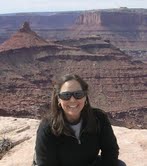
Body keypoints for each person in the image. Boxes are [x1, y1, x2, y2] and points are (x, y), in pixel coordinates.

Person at [34, 74, 126, 166]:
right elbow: (45, 163)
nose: (73, 100)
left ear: (85, 97)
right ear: (58, 99)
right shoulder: (48, 127)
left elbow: (110, 150)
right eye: (66, 95)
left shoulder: (99, 118)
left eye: (78, 94)